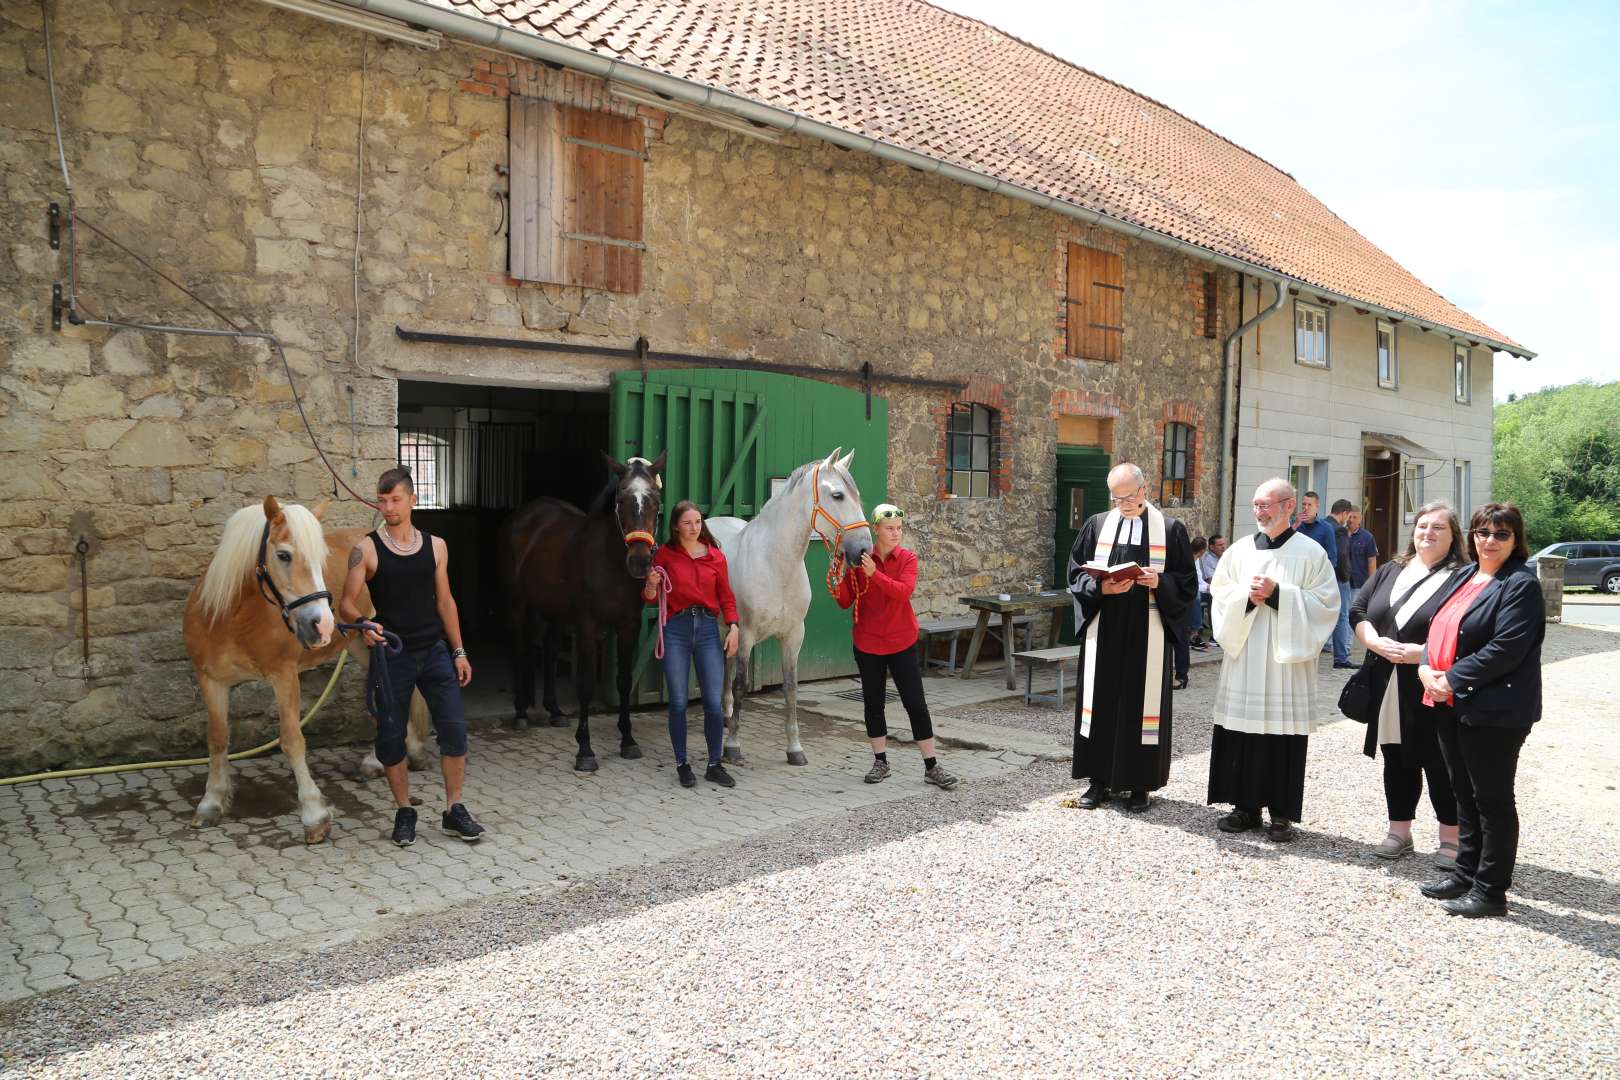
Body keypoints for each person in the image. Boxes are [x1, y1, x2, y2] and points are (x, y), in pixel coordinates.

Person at [339, 466, 484, 848]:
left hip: (435, 652)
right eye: (382, 500)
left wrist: (459, 651)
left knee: (454, 731)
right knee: (390, 739)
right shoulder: (366, 549)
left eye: (395, 500)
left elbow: (445, 601)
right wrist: (365, 625)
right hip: (393, 656)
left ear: (413, 500)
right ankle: (405, 811)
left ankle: (454, 810)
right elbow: (345, 605)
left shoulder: (436, 546)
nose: (388, 507)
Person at [1416, 503, 1545, 918]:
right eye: (1482, 532)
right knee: (1463, 794)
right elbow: (1439, 628)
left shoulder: (1520, 584)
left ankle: (1491, 891)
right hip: (1452, 702)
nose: (1489, 540)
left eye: (1500, 534)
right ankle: (1465, 874)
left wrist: (1450, 678)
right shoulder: (1468, 575)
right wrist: (1425, 669)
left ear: (1516, 539)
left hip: (1494, 709)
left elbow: (1507, 647)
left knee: (1491, 800)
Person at [1206, 478, 1340, 840]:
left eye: (1267, 505)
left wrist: (1279, 593)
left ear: (1289, 506)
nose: (1260, 512)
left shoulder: (1311, 553)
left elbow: (1327, 604)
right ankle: (1244, 808)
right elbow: (1220, 596)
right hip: (1247, 655)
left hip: (1286, 664)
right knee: (1243, 733)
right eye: (1256, 505)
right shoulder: (1238, 551)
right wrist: (1246, 599)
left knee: (1282, 737)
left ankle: (1281, 815)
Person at [1066, 464, 1197, 812]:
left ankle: (1140, 784)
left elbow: (1187, 583)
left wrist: (1160, 582)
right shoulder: (1096, 525)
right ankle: (1099, 781)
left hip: (1147, 633)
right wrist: (1101, 586)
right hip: (1105, 630)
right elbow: (1075, 574)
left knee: (1142, 705)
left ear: (1144, 490)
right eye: (1116, 497)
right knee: (1103, 702)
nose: (1122, 503)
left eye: (1128, 496)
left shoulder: (1170, 530)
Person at [1349, 501, 1466, 867]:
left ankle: (1451, 837)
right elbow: (1359, 610)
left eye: (1437, 528)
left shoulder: (1464, 576)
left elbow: (1469, 630)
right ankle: (1399, 831)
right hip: (1387, 680)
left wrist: (1424, 654)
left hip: (1432, 682)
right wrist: (1372, 641)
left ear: (1454, 536)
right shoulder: (1391, 570)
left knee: (1440, 761)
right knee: (1396, 757)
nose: (1427, 533)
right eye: (1422, 526)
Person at [836, 504, 959, 790]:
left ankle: (931, 765)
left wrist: (873, 575)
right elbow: (843, 601)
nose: (895, 534)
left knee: (915, 703)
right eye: (889, 528)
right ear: (876, 529)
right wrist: (841, 572)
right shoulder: (860, 560)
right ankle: (881, 762)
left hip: (901, 641)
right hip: (867, 642)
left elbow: (902, 592)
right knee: (873, 704)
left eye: (899, 529)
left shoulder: (907, 559)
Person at [643, 501, 741, 789]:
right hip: (676, 630)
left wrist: (733, 626)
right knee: (677, 701)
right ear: (676, 526)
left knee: (713, 701)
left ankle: (714, 764)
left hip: (709, 630)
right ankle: (682, 764)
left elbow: (727, 597)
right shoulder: (665, 555)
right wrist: (650, 583)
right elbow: (650, 598)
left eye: (698, 522)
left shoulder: (716, 557)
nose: (694, 528)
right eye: (687, 523)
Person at [1295, 492, 1353, 669]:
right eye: (1303, 504)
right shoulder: (1295, 527)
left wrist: (1323, 579)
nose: (1305, 508)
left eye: (1309, 505)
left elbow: (1333, 558)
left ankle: (1339, 657)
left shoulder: (1326, 528)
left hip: (1320, 581)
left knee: (1332, 616)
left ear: (1317, 507)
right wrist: (1295, 526)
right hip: (1299, 580)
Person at [1345, 507, 1379, 590]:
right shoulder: (1340, 535)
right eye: (1349, 517)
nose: (1351, 520)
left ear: (1360, 520)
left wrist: (1371, 583)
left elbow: (1372, 561)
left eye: (1354, 517)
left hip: (1359, 585)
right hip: (1343, 584)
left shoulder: (1368, 537)